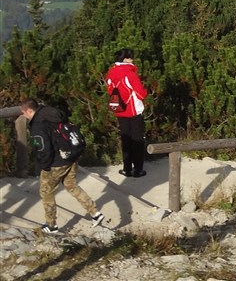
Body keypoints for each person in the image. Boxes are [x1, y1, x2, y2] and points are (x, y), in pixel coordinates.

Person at [21, 99, 105, 234]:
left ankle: (51, 225)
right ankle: (95, 213)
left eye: (24, 113)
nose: (24, 116)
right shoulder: (53, 114)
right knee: (72, 186)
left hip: (56, 163)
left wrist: (45, 166)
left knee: (46, 192)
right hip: (71, 157)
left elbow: (43, 148)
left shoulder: (38, 125)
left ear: (29, 111)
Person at [106, 48, 149, 178]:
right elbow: (142, 93)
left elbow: (109, 90)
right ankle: (138, 169)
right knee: (137, 140)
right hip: (133, 110)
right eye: (130, 57)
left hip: (119, 110)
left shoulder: (111, 73)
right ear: (125, 59)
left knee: (125, 139)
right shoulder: (130, 74)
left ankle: (126, 169)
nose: (132, 59)